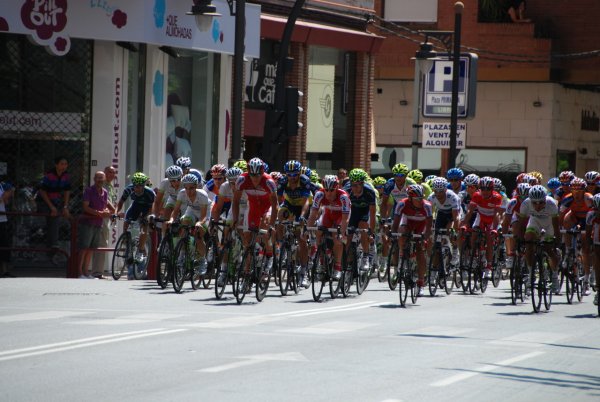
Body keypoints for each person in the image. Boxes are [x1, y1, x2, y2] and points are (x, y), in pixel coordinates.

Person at [115, 172, 155, 278]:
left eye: (139, 186)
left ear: (144, 185)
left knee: (144, 226)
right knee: (127, 221)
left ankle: (141, 249)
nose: (137, 188)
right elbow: (120, 202)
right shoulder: (129, 189)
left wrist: (148, 216)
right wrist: (116, 212)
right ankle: (127, 240)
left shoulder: (149, 192)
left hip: (147, 208)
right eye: (135, 186)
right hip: (136, 206)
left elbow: (153, 207)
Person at [78, 171, 113, 279]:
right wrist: (99, 213)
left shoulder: (105, 192)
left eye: (101, 178)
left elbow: (108, 206)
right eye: (98, 178)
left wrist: (109, 211)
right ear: (94, 179)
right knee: (84, 248)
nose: (100, 180)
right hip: (87, 223)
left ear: (104, 179)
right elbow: (85, 207)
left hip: (98, 224)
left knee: (91, 249)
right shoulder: (89, 191)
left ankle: (86, 272)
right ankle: (79, 272)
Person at [36, 156, 71, 252]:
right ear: (56, 165)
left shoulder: (66, 175)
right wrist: (51, 207)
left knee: (59, 218)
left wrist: (65, 206)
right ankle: (53, 244)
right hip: (44, 201)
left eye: (66, 164)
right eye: (62, 164)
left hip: (56, 202)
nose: (64, 166)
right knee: (53, 217)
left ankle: (52, 244)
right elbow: (43, 192)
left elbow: (67, 191)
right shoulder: (49, 175)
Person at [91, 166, 117, 278]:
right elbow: (105, 203)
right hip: (101, 218)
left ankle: (98, 271)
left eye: (113, 172)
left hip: (107, 218)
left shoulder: (110, 187)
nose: (112, 174)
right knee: (100, 244)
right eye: (109, 172)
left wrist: (114, 213)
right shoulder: (103, 186)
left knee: (103, 243)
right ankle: (97, 272)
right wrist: (112, 212)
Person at [0, 180, 15, 277]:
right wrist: (8, 192)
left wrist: (9, 192)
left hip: (2, 219)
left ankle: (4, 270)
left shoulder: (2, 186)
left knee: (4, 245)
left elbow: (6, 200)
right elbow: (3, 198)